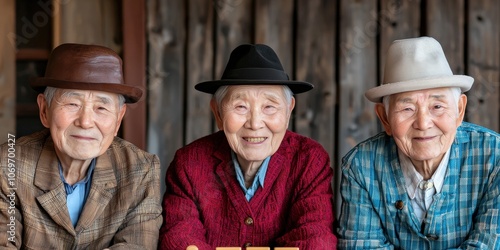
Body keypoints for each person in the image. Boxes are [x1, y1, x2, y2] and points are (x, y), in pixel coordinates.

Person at [158, 44, 337, 249]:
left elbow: (315, 238)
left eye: (269, 107)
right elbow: (179, 238)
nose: (254, 123)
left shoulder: (308, 160)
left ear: (288, 111)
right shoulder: (189, 163)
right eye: (240, 107)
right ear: (217, 112)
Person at [337, 36, 500, 249]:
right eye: (407, 109)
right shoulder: (361, 166)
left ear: (459, 110)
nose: (423, 124)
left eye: (437, 107)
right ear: (384, 118)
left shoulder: (494, 157)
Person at [0, 43, 162, 249]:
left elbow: (136, 246)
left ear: (118, 119)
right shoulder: (7, 165)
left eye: (101, 107)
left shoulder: (140, 170)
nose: (85, 121)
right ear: (44, 110)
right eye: (72, 104)